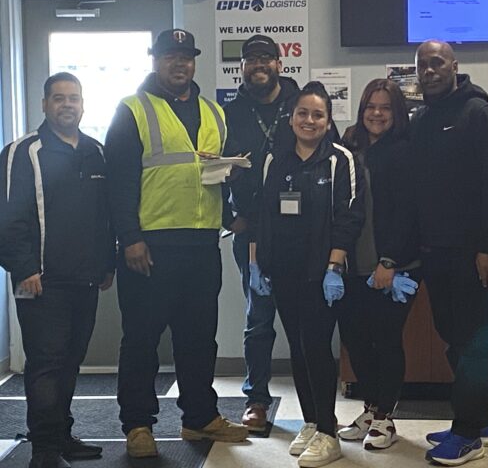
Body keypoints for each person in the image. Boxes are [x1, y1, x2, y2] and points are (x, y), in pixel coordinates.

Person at [103, 29, 247, 458]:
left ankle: (200, 419)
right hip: (149, 247)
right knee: (143, 340)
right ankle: (138, 425)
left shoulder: (213, 112)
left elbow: (217, 170)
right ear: (155, 60)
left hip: (202, 245)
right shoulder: (132, 110)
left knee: (199, 338)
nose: (179, 63)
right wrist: (129, 238)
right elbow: (119, 184)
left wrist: (232, 175)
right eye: (170, 56)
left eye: (186, 56)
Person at [376, 40, 488, 466]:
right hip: (435, 254)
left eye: (437, 63)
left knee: (472, 341)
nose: (429, 70)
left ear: (455, 66)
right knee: (455, 339)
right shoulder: (422, 120)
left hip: (474, 255)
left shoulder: (479, 115)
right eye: (423, 65)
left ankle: (468, 433)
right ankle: (482, 422)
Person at [0, 72, 114, 468]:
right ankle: (44, 450)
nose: (67, 105)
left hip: (85, 279)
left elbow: (105, 217)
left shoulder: (96, 152)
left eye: (74, 98)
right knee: (46, 362)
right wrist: (23, 267)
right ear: (45, 104)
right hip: (39, 281)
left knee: (69, 361)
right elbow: (8, 217)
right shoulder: (22, 152)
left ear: (83, 105)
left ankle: (62, 436)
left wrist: (106, 265)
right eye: (59, 98)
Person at [250, 82, 364, 467]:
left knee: (316, 346)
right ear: (292, 118)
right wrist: (258, 264)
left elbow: (349, 218)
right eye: (303, 113)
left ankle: (329, 433)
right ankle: (312, 421)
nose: (309, 120)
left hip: (321, 275)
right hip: (283, 272)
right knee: (297, 348)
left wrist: (334, 266)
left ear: (328, 121)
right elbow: (263, 215)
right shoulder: (274, 159)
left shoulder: (340, 160)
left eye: (318, 114)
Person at [336, 79, 420, 451]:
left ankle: (386, 416)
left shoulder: (405, 150)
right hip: (353, 265)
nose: (377, 113)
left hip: (392, 266)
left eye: (385, 107)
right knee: (356, 340)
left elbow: (409, 211)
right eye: (371, 105)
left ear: (397, 112)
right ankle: (370, 408)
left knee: (385, 340)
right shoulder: (350, 147)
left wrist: (390, 262)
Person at [223, 34, 300, 431]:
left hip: (298, 230)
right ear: (242, 67)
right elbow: (212, 169)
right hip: (251, 232)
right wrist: (226, 217)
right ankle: (256, 400)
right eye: (251, 59)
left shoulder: (302, 105)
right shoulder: (229, 114)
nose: (259, 65)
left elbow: (330, 158)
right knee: (258, 318)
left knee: (305, 317)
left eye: (266, 58)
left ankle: (314, 401)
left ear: (279, 64)